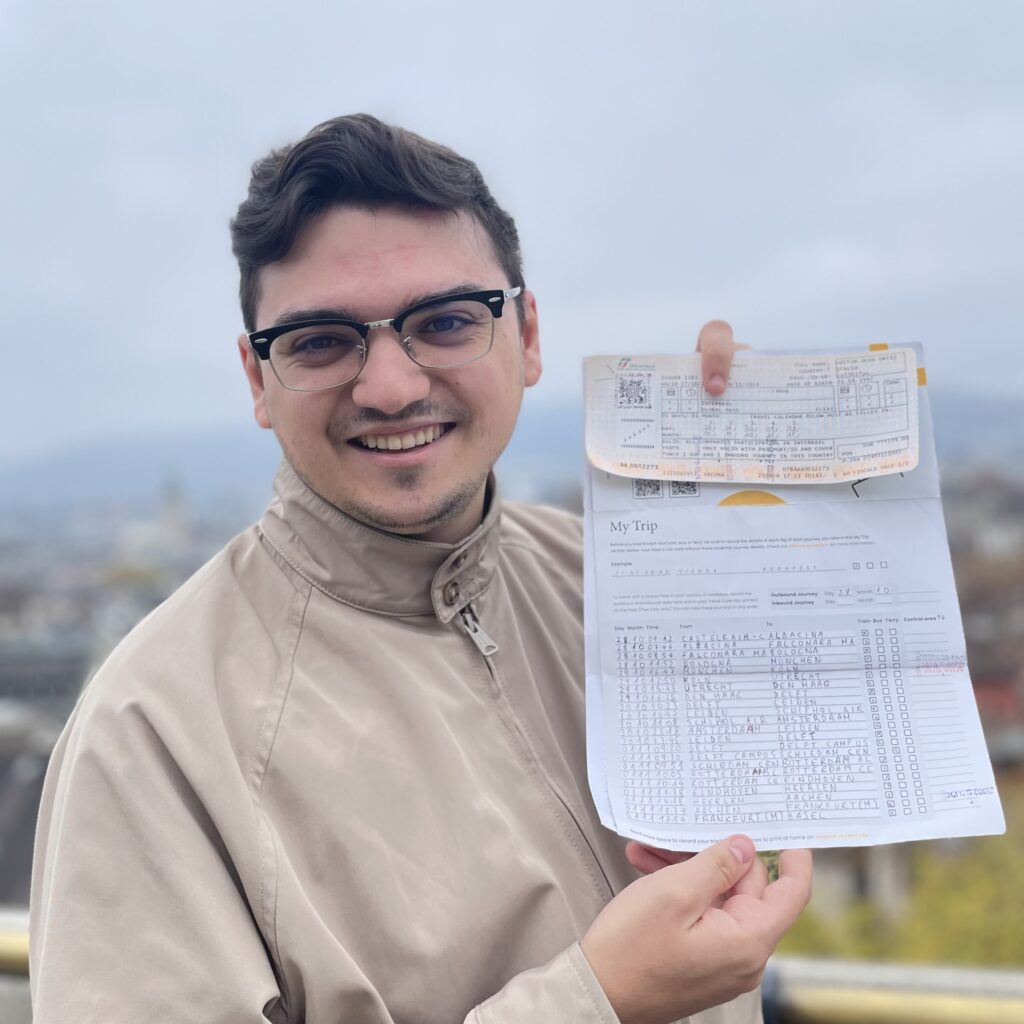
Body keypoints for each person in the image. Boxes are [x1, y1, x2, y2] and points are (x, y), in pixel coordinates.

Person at [29, 114, 811, 1024]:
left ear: (526, 335)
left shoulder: (611, 583)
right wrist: (594, 1006)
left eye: (444, 322)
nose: (392, 386)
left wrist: (765, 484)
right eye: (321, 341)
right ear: (257, 379)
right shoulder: (154, 731)